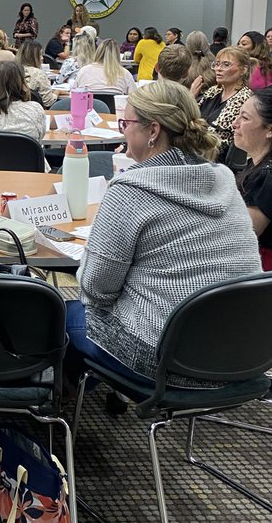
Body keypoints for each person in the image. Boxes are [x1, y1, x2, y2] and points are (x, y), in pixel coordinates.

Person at [66, 80, 259, 385]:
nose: (123, 132)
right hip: (242, 356)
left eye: (126, 124)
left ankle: (63, 402)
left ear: (153, 130)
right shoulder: (223, 179)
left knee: (63, 313)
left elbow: (97, 290)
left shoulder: (130, 190)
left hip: (167, 361)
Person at [234, 88, 272, 270]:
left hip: (260, 273)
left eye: (245, 118)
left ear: (270, 130)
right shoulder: (257, 166)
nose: (235, 123)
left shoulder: (267, 176)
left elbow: (242, 234)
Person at [195, 45, 252, 152]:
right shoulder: (213, 91)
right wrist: (191, 98)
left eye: (226, 65)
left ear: (243, 70)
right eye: (217, 64)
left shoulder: (245, 99)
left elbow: (218, 139)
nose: (218, 69)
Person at [18, 41, 57, 108]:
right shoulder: (39, 74)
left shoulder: (11, 70)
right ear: (32, 56)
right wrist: (57, 93)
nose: (42, 58)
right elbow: (48, 102)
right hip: (35, 110)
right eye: (40, 55)